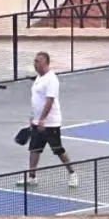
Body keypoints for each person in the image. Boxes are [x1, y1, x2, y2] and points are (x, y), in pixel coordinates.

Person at [18, 51, 78, 188]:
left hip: (50, 123)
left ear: (45, 63)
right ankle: (32, 177)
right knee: (34, 149)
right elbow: (36, 100)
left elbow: (49, 101)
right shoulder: (39, 77)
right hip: (37, 121)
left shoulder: (52, 79)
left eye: (37, 61)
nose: (35, 63)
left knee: (58, 149)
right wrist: (33, 117)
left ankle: (72, 174)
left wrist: (43, 120)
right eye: (34, 61)